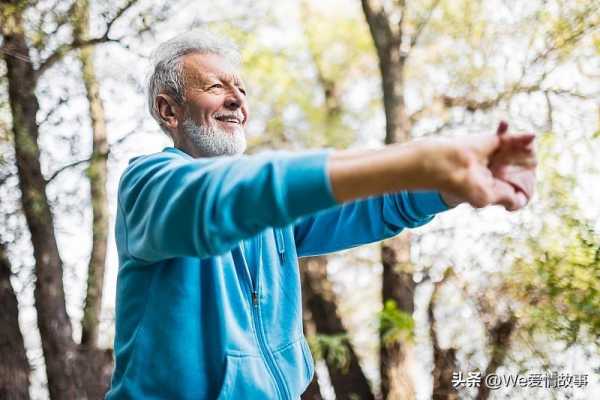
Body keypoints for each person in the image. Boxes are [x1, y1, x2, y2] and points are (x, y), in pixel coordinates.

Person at [105, 29, 536, 399]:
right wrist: (417, 160)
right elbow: (221, 201)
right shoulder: (149, 185)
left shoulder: (274, 218)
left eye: (241, 89)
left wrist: (450, 185)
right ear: (169, 110)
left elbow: (376, 203)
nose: (237, 100)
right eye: (216, 88)